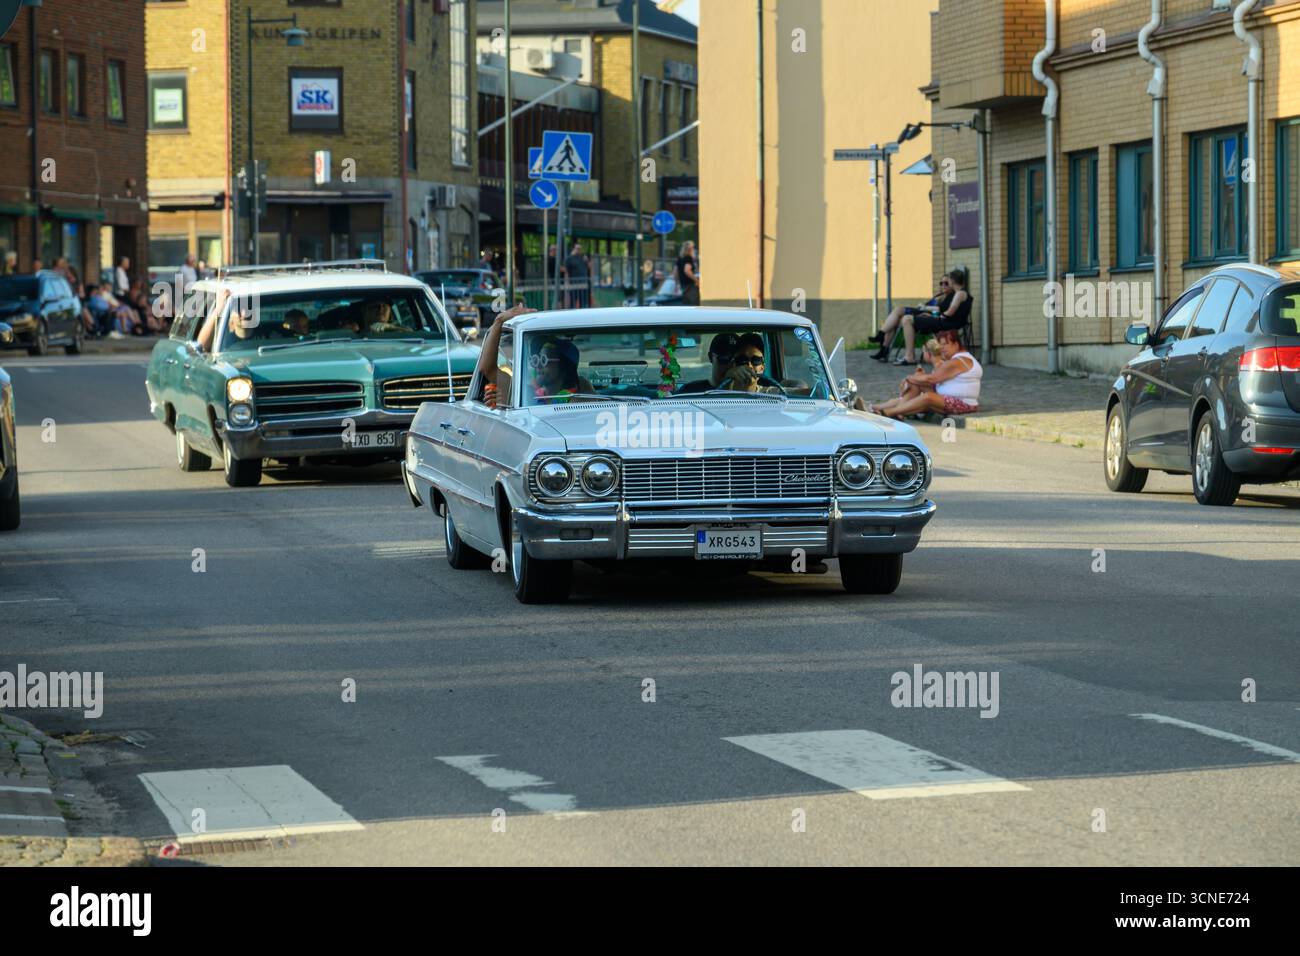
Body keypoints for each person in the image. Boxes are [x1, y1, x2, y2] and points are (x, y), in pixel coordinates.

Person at [861, 329, 982, 419]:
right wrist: (914, 379)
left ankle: (888, 413)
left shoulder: (959, 361)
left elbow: (932, 379)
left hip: (963, 404)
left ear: (956, 344)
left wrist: (909, 378)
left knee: (927, 396)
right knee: (917, 383)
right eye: (941, 345)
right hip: (946, 398)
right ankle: (886, 410)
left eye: (945, 344)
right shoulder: (957, 359)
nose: (942, 348)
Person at [870, 274, 953, 363]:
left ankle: (881, 335)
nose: (943, 285)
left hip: (926, 317)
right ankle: (884, 349)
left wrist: (925, 309)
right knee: (894, 321)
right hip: (922, 313)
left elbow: (941, 312)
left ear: (952, 284)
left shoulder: (951, 297)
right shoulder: (940, 296)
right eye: (941, 283)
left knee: (898, 310)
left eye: (946, 283)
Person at [564, 242, 590, 308]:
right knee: (573, 302)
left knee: (583, 303)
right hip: (574, 284)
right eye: (577, 248)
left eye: (580, 248)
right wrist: (567, 282)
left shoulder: (583, 257)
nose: (579, 250)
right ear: (573, 249)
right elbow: (566, 271)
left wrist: (587, 261)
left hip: (583, 283)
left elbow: (589, 267)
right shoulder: (569, 259)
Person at [676, 240, 700, 305]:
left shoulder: (679, 258)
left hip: (683, 285)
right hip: (690, 286)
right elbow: (687, 270)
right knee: (694, 305)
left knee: (686, 306)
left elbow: (675, 272)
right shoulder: (688, 258)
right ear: (690, 249)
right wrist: (697, 280)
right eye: (693, 248)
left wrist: (678, 283)